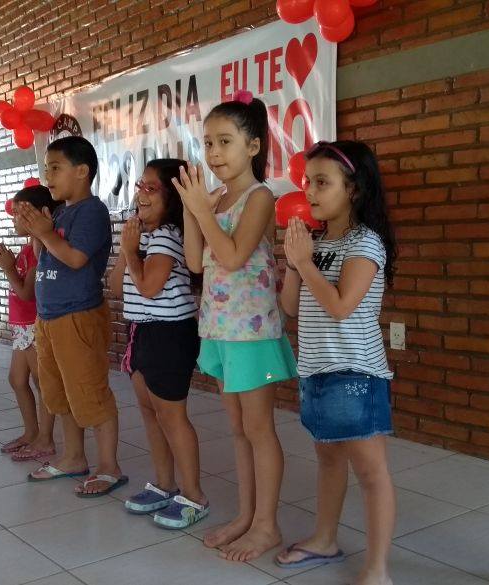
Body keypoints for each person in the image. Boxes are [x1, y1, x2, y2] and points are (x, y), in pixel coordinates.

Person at [173, 90, 297, 562]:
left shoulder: (260, 197)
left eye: (225, 141)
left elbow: (232, 256)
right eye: (207, 142)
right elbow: (195, 262)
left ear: (253, 146)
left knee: (259, 429)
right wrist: (192, 210)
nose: (214, 152)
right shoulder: (217, 198)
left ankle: (268, 525)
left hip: (253, 333)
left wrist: (203, 212)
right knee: (239, 429)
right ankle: (247, 516)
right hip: (221, 330)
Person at [276, 140, 397, 584]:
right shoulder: (317, 242)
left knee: (371, 471)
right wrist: (294, 264)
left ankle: (377, 569)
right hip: (316, 371)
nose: (309, 191)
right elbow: (291, 307)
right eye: (308, 181)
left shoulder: (365, 242)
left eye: (322, 182)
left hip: (355, 374)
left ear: (354, 189)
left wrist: (305, 264)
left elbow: (342, 306)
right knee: (327, 459)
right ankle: (325, 539)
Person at [20, 136, 126, 498]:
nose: (47, 176)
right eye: (45, 168)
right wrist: (38, 234)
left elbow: (76, 259)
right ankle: (73, 457)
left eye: (55, 167)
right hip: (49, 317)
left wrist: (45, 233)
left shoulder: (91, 211)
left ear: (82, 171)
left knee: (89, 392)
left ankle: (109, 466)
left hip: (78, 315)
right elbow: (47, 257)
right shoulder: (60, 212)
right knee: (59, 392)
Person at [111, 159, 207, 529]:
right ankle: (165, 484)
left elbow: (149, 288)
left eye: (152, 188)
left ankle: (194, 495)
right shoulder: (142, 236)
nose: (142, 193)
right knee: (150, 412)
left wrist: (131, 251)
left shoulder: (168, 235)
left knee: (171, 416)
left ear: (172, 198)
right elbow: (117, 288)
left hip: (169, 333)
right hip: (141, 332)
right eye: (140, 185)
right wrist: (128, 248)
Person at [0, 184, 58, 461]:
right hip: (21, 325)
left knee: (41, 382)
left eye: (20, 213)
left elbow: (26, 293)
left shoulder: (38, 250)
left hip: (33, 324)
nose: (14, 219)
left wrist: (8, 268)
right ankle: (31, 432)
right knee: (17, 379)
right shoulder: (26, 248)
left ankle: (45, 439)